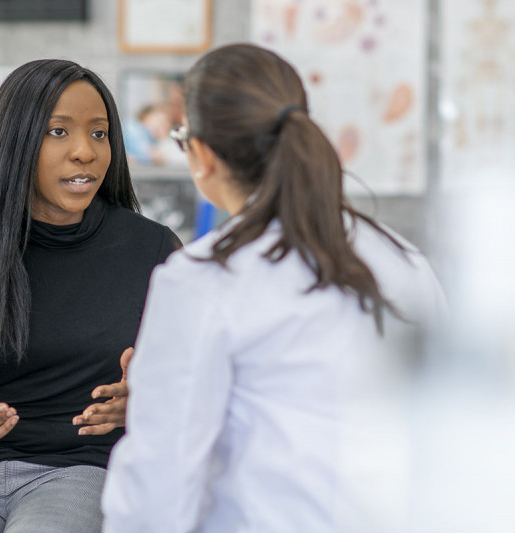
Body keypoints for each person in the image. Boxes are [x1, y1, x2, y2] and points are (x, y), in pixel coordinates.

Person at [101, 43, 447, 532]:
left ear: (200, 154)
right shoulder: (404, 261)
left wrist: (154, 394)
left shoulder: (204, 279)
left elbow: (157, 491)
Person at [0, 59, 180, 533]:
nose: (85, 153)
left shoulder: (152, 250)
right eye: (58, 132)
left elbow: (199, 399)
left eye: (99, 134)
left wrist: (146, 404)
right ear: (15, 143)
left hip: (87, 470)